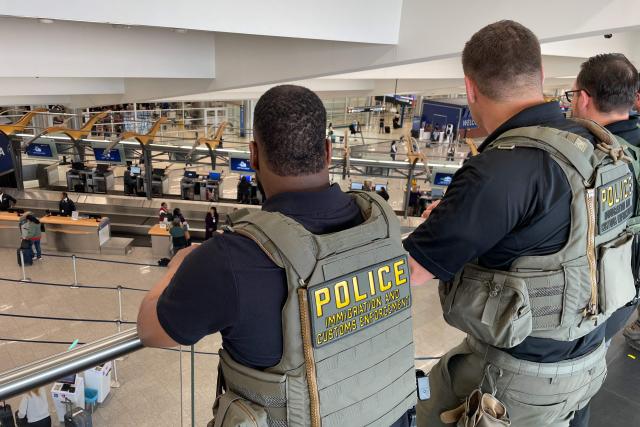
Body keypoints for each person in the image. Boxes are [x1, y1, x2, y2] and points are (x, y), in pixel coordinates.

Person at [137, 84, 415, 427]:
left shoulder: (228, 259)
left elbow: (151, 331)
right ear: (328, 152)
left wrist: (177, 266)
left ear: (253, 155)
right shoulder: (382, 226)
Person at [404, 21, 632, 427]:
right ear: (541, 76)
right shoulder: (602, 150)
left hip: (515, 384)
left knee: (417, 409)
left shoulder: (497, 171)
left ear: (470, 88)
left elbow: (412, 272)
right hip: (588, 364)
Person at [567, 54, 640, 427]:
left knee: (569, 385)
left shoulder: (583, 156)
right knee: (588, 381)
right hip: (628, 291)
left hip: (589, 303)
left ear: (583, 97)